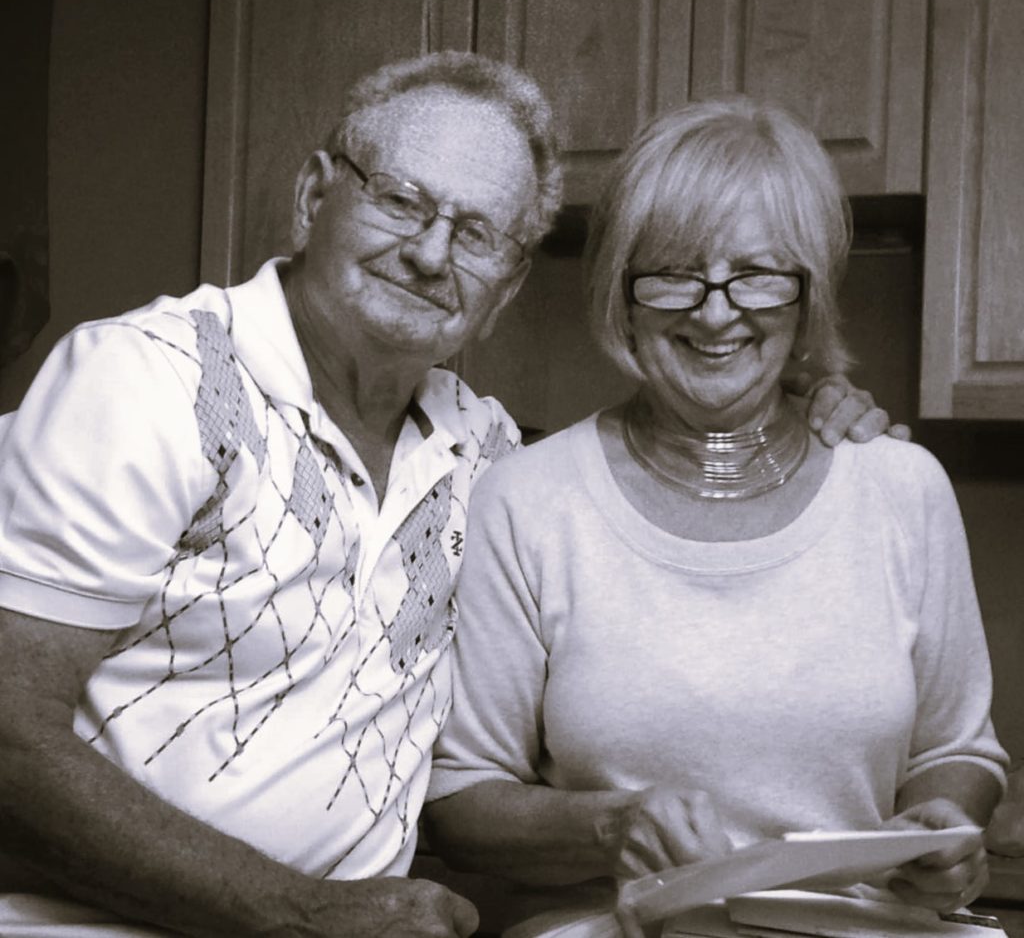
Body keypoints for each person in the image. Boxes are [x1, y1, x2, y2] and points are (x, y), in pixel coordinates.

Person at [0, 53, 896, 938]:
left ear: (504, 287)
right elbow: (9, 737)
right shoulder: (147, 381)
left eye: (476, 234)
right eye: (400, 199)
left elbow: (640, 460)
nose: (430, 253)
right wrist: (303, 915)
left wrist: (799, 413)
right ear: (316, 195)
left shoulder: (487, 455)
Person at [422, 96, 1009, 935]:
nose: (715, 309)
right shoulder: (526, 499)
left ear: (806, 297)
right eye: (673, 273)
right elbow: (459, 798)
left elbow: (957, 750)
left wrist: (942, 827)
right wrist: (611, 824)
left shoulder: (902, 488)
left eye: (758, 273)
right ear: (621, 296)